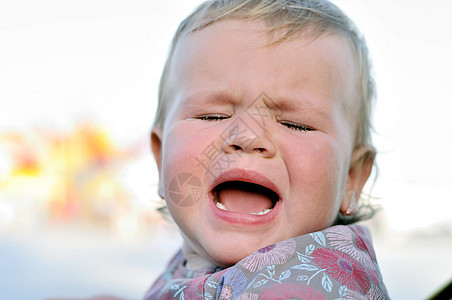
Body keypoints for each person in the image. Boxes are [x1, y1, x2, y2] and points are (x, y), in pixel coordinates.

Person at [146, 0, 389, 298]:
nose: (248, 137)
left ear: (351, 178)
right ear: (161, 159)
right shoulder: (193, 256)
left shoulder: (316, 288)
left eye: (295, 124)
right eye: (212, 116)